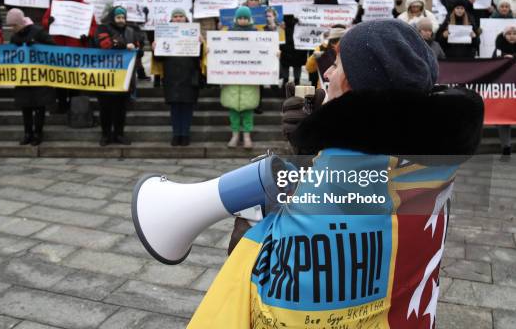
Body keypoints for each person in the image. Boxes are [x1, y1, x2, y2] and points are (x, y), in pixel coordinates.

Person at [189, 19, 484, 328]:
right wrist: (327, 131)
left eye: (338, 65)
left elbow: (283, 288)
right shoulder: (436, 152)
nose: (327, 73)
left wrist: (251, 224)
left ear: (356, 87)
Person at [42, 0, 97, 112]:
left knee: (74, 79)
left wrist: (88, 34)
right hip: (58, 47)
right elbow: (44, 21)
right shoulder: (55, 5)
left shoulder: (85, 7)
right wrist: (48, 22)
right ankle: (61, 105)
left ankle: (74, 106)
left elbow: (93, 26)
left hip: (76, 48)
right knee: (60, 78)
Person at [152, 9, 201, 146]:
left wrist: (202, 45)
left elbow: (200, 57)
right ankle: (176, 134)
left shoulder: (194, 33)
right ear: (171, 19)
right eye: (175, 16)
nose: (178, 19)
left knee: (187, 106)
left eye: (181, 16)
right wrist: (155, 48)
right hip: (171, 76)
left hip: (189, 76)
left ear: (186, 18)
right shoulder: (164, 34)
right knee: (174, 107)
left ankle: (185, 134)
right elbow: (159, 58)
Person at [93, 6, 141, 146]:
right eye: (118, 17)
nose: (121, 20)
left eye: (123, 17)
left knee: (121, 109)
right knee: (105, 108)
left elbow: (139, 46)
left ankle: (119, 134)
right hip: (105, 76)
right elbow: (104, 45)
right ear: (112, 18)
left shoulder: (131, 31)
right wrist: (125, 45)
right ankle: (106, 135)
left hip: (123, 78)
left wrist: (137, 49)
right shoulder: (102, 29)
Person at [7, 8, 55, 146]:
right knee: (25, 107)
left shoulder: (38, 31)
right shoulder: (14, 37)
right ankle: (28, 133)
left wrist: (36, 45)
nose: (12, 28)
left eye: (14, 25)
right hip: (23, 77)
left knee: (39, 107)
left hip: (40, 76)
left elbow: (53, 47)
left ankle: (38, 133)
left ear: (21, 23)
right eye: (10, 26)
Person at [221, 6, 259, 149]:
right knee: (233, 110)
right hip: (232, 78)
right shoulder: (227, 34)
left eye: (245, 18)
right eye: (240, 18)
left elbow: (264, 51)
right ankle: (235, 134)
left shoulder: (257, 34)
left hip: (250, 79)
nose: (242, 20)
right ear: (236, 19)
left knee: (248, 110)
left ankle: (247, 136)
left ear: (249, 19)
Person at [279, 0, 307, 90]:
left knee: (298, 55)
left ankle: (297, 80)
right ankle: (285, 79)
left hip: (298, 26)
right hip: (284, 26)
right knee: (284, 55)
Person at [493, 24, 516, 156]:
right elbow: (490, 68)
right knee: (503, 119)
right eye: (509, 33)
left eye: (514, 33)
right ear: (504, 35)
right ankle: (506, 147)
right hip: (504, 90)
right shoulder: (498, 51)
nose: (512, 36)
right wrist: (501, 61)